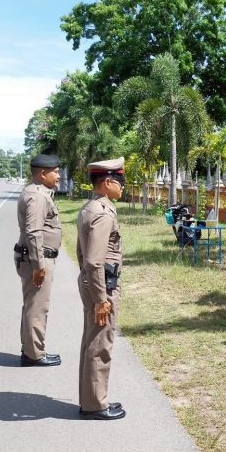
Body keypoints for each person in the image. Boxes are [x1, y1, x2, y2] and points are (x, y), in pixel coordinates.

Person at [76, 157, 127, 420]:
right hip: (102, 286)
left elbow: (82, 255)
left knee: (92, 341)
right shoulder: (102, 212)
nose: (123, 186)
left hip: (94, 281)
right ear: (107, 182)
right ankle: (95, 405)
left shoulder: (90, 207)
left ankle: (91, 399)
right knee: (100, 345)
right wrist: (101, 299)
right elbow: (95, 259)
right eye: (120, 181)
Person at [14, 150, 63, 367]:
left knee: (32, 305)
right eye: (56, 172)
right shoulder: (37, 196)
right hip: (37, 258)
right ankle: (34, 355)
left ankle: (31, 349)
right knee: (37, 307)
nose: (59, 176)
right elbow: (34, 232)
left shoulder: (38, 192)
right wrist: (39, 265)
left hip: (35, 257)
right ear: (43, 174)